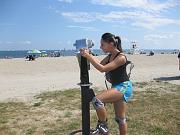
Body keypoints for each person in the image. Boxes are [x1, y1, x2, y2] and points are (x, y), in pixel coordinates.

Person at [80, 33, 133, 135]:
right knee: (120, 119)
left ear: (111, 44)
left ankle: (103, 126)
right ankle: (103, 128)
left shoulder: (121, 57)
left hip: (124, 87)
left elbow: (102, 68)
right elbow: (99, 63)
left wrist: (88, 55)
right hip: (117, 86)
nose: (100, 47)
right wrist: (88, 55)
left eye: (102, 44)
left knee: (97, 100)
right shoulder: (110, 56)